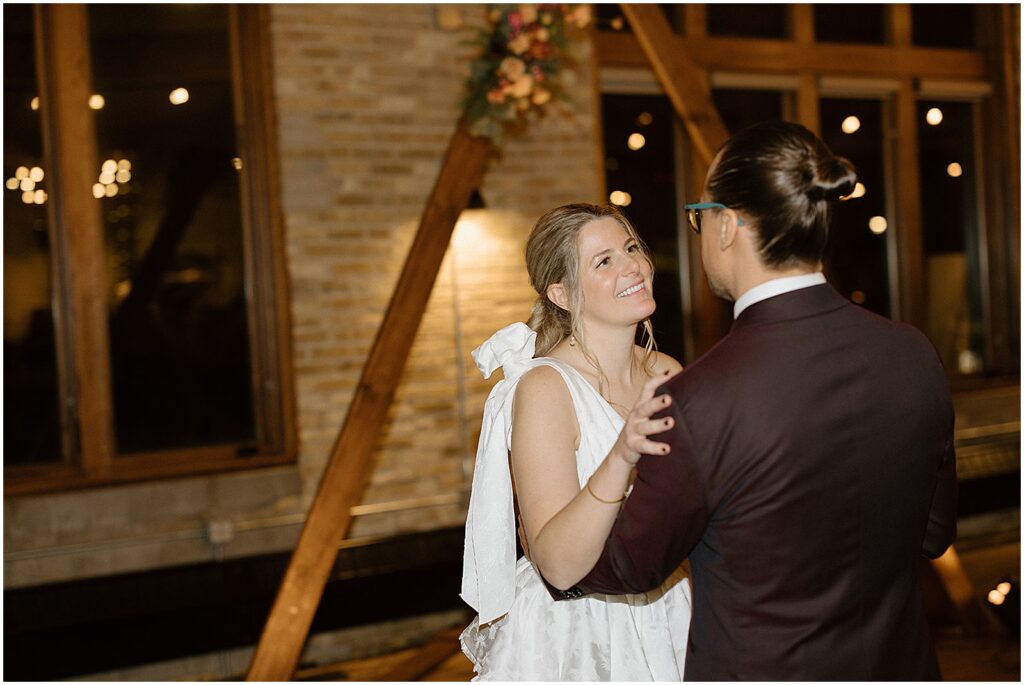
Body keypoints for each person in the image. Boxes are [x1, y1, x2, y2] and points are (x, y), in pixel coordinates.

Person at [549, 121, 958, 680]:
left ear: (726, 226)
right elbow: (933, 534)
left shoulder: (696, 399)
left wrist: (550, 557)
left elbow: (631, 565)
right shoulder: (914, 353)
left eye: (699, 215)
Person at [460, 203, 692, 680]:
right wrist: (622, 454)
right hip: (579, 632)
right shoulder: (546, 388)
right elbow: (559, 566)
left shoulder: (667, 372)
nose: (632, 266)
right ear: (562, 293)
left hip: (671, 606)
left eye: (630, 249)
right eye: (603, 261)